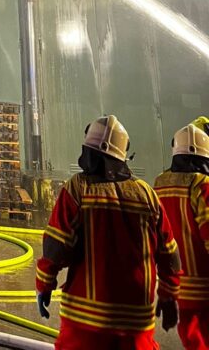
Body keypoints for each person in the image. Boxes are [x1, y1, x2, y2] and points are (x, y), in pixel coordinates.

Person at [36, 115, 182, 350]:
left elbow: (56, 248)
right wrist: (168, 293)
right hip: (137, 324)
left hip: (86, 322)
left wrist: (44, 285)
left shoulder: (77, 188)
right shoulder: (146, 195)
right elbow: (169, 254)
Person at [154, 124, 209, 350]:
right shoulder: (202, 184)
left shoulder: (159, 184)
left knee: (194, 343)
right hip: (204, 289)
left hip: (177, 288)